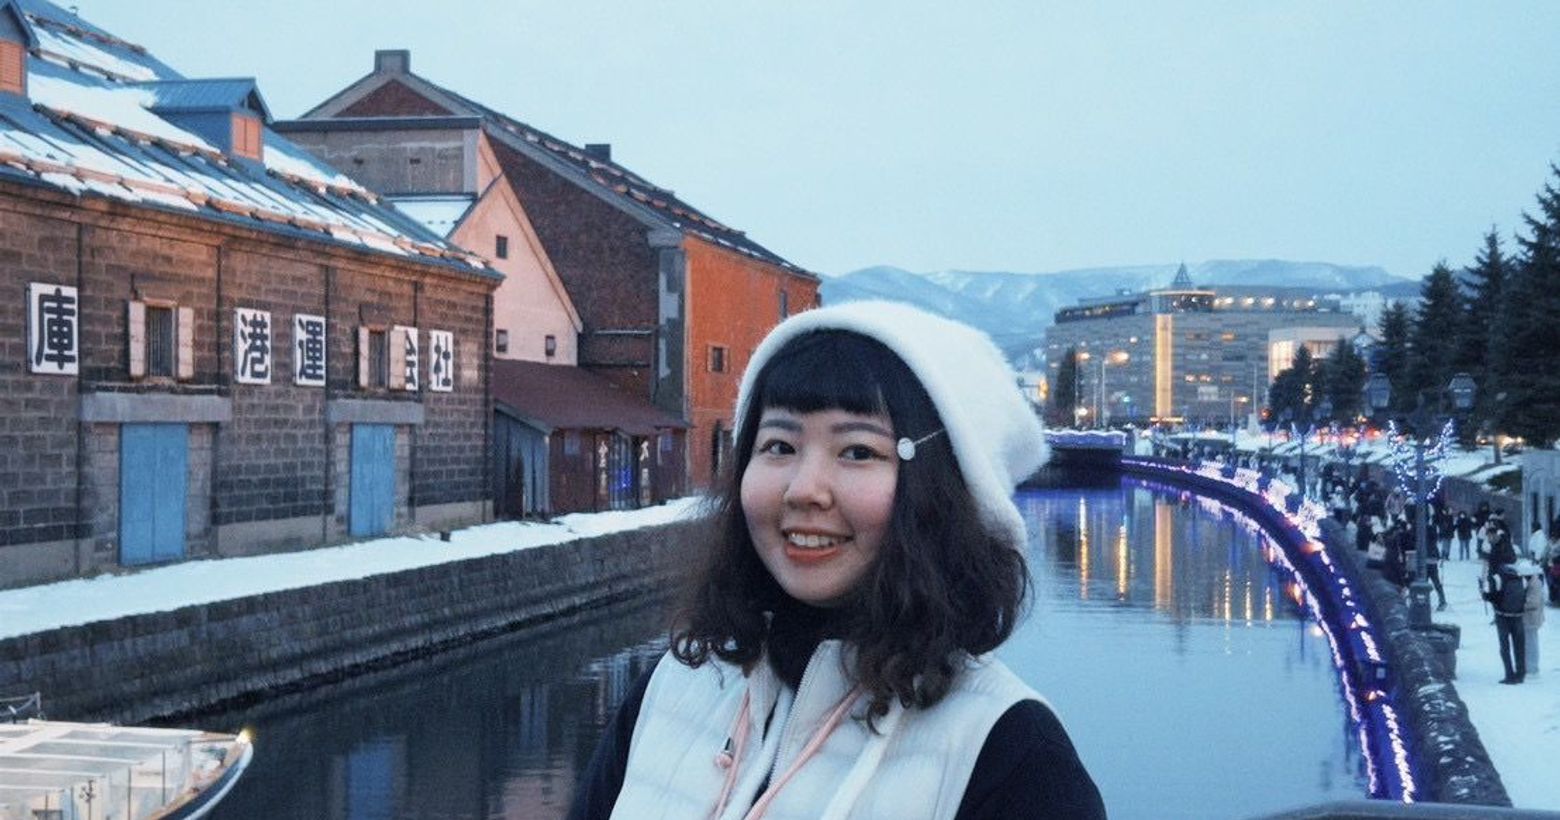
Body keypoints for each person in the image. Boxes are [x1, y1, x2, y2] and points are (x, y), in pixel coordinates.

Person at [568, 302, 1105, 820]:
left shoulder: (1009, 754)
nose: (804, 489)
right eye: (779, 446)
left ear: (944, 492)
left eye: (858, 452)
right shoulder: (674, 689)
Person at [1481, 529, 1525, 684]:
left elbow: (1496, 596)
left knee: (1505, 646)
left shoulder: (1498, 575)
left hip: (1503, 614)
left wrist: (1486, 596)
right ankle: (1521, 673)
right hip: (1518, 613)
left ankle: (1509, 675)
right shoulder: (1518, 573)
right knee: (1519, 645)